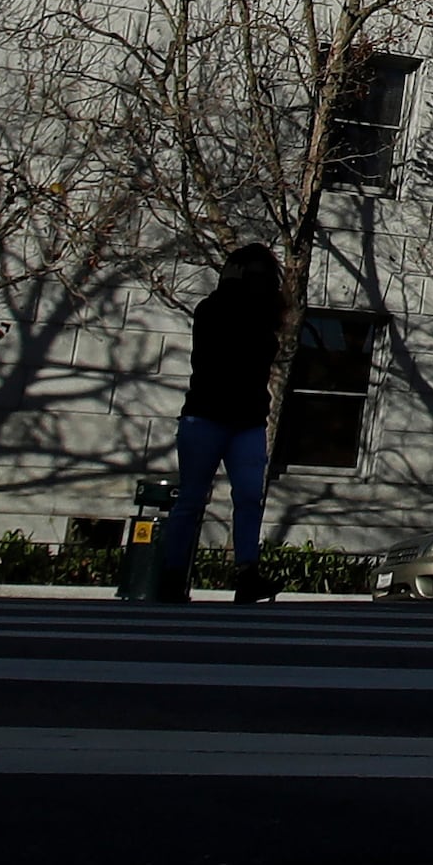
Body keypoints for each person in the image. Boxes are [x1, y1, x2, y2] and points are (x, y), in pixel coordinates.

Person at [165, 245, 286, 605]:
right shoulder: (214, 309)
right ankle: (173, 574)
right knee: (192, 498)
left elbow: (257, 350)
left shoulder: (261, 316)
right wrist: (231, 290)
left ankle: (245, 572)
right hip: (209, 416)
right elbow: (214, 350)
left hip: (242, 420)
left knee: (246, 497)